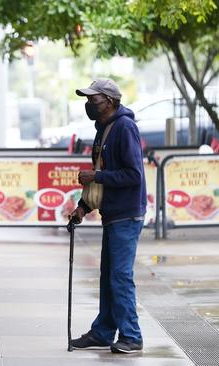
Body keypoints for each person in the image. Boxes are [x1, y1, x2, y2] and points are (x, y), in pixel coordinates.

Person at [68, 78, 147, 354]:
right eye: (88, 100)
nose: (89, 105)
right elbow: (100, 179)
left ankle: (132, 335)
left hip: (127, 214)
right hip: (111, 213)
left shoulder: (125, 128)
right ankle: (103, 331)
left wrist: (96, 175)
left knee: (120, 276)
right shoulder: (103, 129)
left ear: (110, 101)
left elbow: (134, 175)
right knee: (108, 276)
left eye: (94, 100)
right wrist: (83, 207)